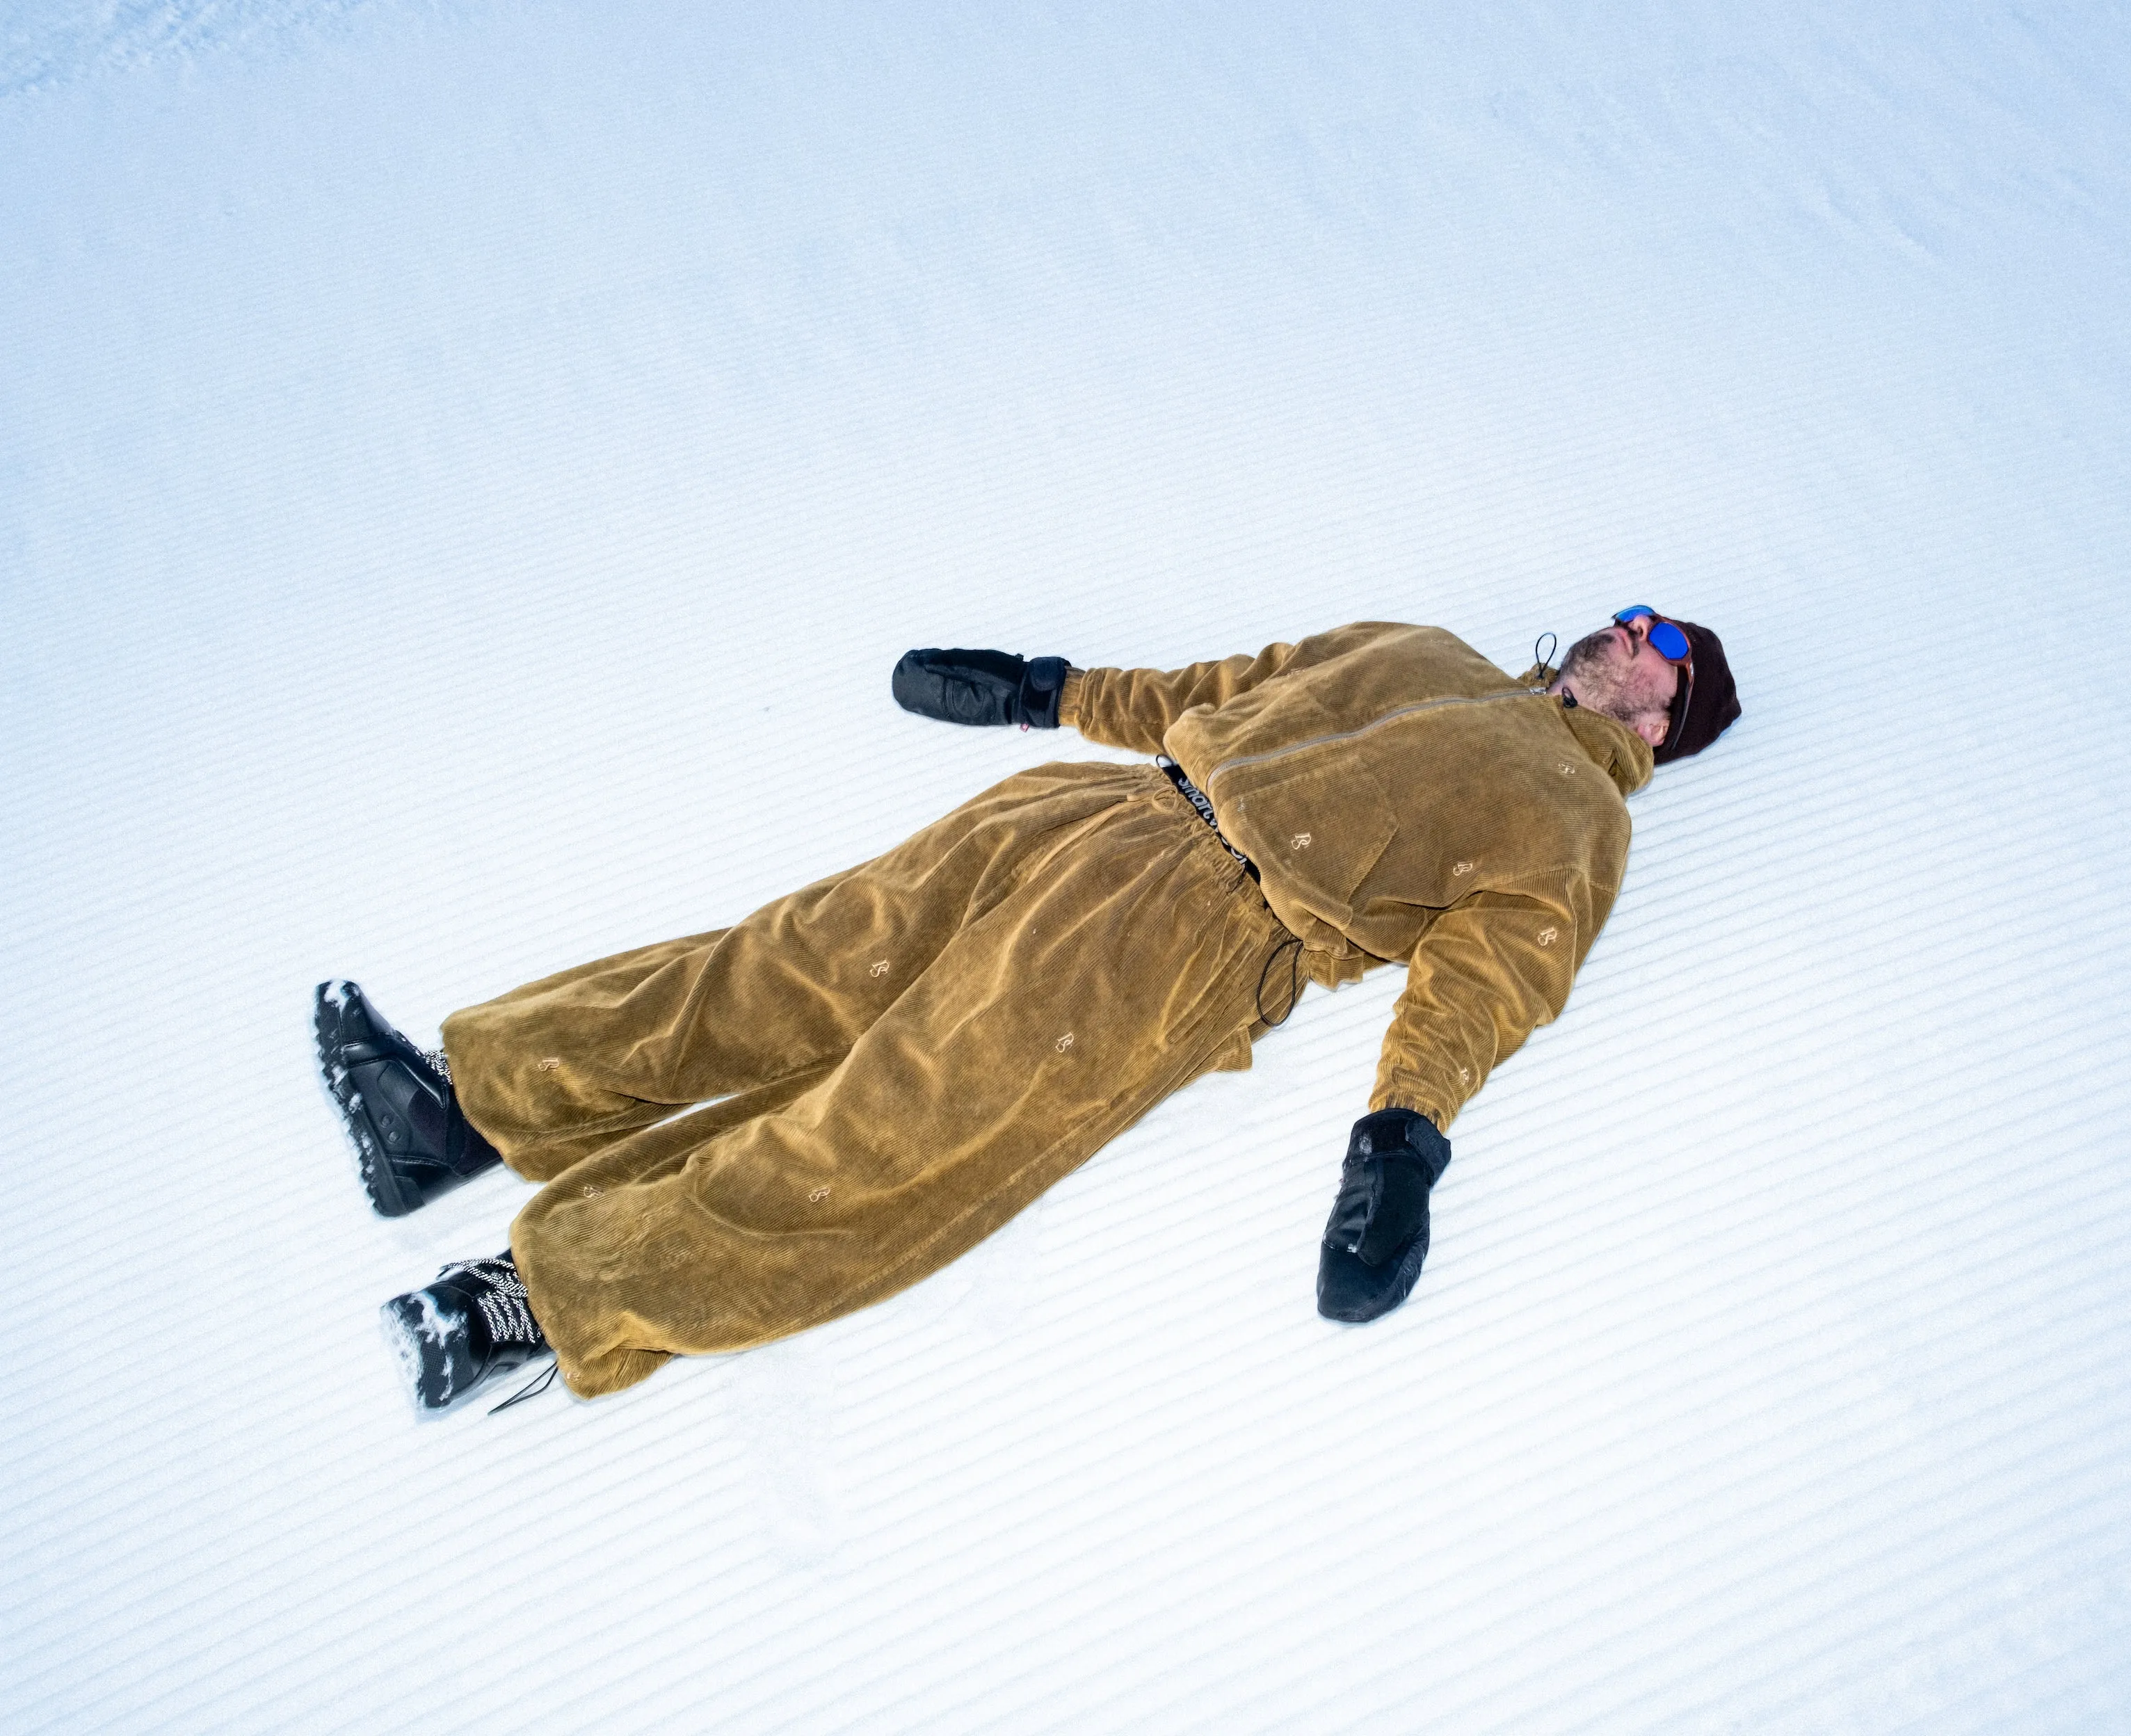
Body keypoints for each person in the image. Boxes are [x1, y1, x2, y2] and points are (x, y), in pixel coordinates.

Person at [322, 609, 1740, 1415]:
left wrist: (1401, 1142)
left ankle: (531, 1309)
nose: (1627, 623)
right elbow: (1219, 688)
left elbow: (1485, 987)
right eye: (1629, 614)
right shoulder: (1424, 649)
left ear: (1664, 718)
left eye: (1659, 636)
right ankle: (450, 1111)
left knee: (888, 1135)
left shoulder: (1573, 821)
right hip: (1094, 812)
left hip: (1195, 941)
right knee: (788, 965)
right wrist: (1041, 693)